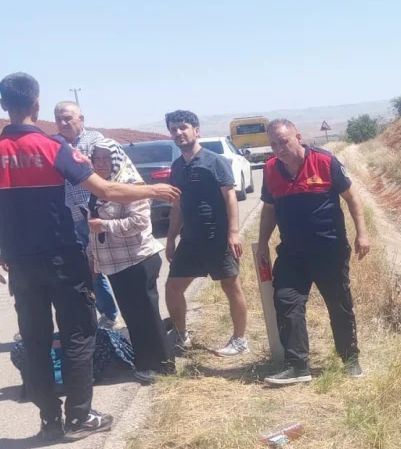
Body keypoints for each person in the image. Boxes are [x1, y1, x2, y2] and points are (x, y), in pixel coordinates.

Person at [0, 72, 180, 441]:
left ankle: (49, 418)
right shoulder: (52, 148)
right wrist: (153, 189)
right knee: (78, 335)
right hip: (64, 258)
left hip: (20, 262)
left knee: (34, 339)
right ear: (36, 104)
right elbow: (107, 189)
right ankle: (79, 417)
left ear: (4, 105)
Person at [257, 119, 370, 385]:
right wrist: (262, 243)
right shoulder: (271, 169)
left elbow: (352, 198)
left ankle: (350, 359)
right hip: (292, 253)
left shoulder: (324, 161)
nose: (278, 148)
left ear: (297, 136)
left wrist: (362, 233)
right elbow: (269, 209)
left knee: (339, 305)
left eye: (283, 141)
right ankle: (298, 366)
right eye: (273, 144)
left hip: (329, 249)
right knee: (287, 302)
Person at [162, 110, 249, 357]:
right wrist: (170, 239)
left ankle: (240, 340)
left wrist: (233, 233)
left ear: (196, 130)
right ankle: (180, 335)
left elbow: (230, 196)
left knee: (231, 287)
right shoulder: (177, 166)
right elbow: (177, 205)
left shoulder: (214, 161)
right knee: (173, 287)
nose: (178, 132)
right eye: (173, 129)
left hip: (218, 238)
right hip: (190, 241)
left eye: (183, 127)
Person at [87, 138, 174, 383]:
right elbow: (91, 229)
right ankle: (145, 362)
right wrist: (92, 258)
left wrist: (104, 224)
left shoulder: (131, 185)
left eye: (106, 158)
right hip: (116, 264)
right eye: (97, 159)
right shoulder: (99, 189)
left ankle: (162, 366)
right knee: (133, 316)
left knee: (146, 315)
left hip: (137, 261)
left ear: (116, 159)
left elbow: (139, 223)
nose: (101, 163)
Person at [55, 101, 119, 328]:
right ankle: (108, 315)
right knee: (88, 268)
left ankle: (133, 313)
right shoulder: (55, 144)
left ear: (81, 119)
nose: (62, 122)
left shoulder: (95, 141)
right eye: (58, 118)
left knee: (113, 264)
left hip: (99, 214)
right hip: (72, 217)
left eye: (67, 117)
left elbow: (110, 171)